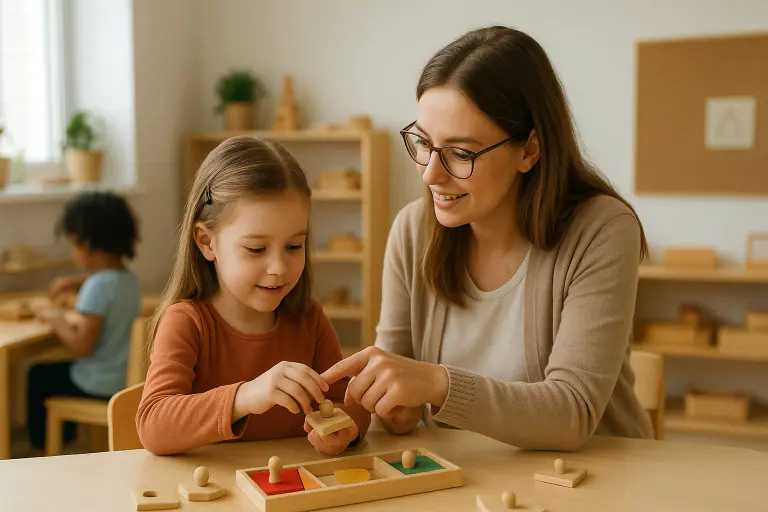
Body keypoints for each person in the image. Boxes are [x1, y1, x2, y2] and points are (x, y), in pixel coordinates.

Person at [322, 25, 654, 450]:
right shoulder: (411, 232)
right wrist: (389, 405)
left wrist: (437, 385)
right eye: (423, 143)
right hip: (466, 481)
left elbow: (572, 413)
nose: (430, 174)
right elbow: (400, 412)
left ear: (529, 150)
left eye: (460, 153)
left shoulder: (603, 230)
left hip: (596, 481)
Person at [136, 136, 370, 455]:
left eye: (294, 246)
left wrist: (345, 429)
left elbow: (349, 405)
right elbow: (153, 426)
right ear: (207, 242)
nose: (278, 268)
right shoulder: (187, 322)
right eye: (256, 249)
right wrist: (245, 397)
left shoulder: (309, 319)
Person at [28, 191, 141, 452]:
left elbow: (82, 346)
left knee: (39, 375)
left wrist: (57, 320)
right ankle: (67, 439)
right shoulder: (127, 277)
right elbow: (104, 286)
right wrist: (75, 282)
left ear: (86, 244)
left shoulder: (96, 287)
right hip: (122, 379)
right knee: (55, 373)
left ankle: (41, 447)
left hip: (98, 382)